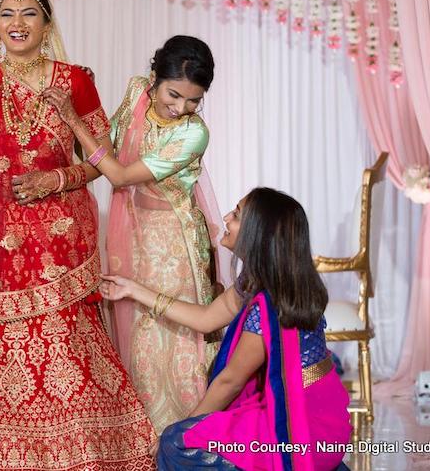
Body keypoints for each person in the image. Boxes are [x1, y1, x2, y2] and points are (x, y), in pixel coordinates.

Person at [0, 0, 155, 469]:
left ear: (48, 24)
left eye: (29, 14)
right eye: (6, 15)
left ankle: (81, 456)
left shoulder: (74, 80)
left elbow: (101, 160)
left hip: (60, 247)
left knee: (67, 353)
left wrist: (55, 178)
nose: (17, 24)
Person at [103, 188, 352, 470]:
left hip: (297, 422)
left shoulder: (268, 305)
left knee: (176, 443)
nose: (226, 218)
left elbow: (230, 382)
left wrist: (184, 430)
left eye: (235, 214)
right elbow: (207, 318)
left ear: (256, 233)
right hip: (318, 407)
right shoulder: (268, 281)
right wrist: (134, 289)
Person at [53, 35, 228, 433]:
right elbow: (105, 150)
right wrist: (83, 110)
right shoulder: (137, 90)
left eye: (193, 100)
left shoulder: (193, 134)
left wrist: (74, 120)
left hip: (174, 247)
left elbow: (120, 174)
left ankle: (180, 441)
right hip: (130, 235)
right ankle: (135, 439)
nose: (181, 108)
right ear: (154, 77)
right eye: (174, 94)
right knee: (132, 338)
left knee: (170, 341)